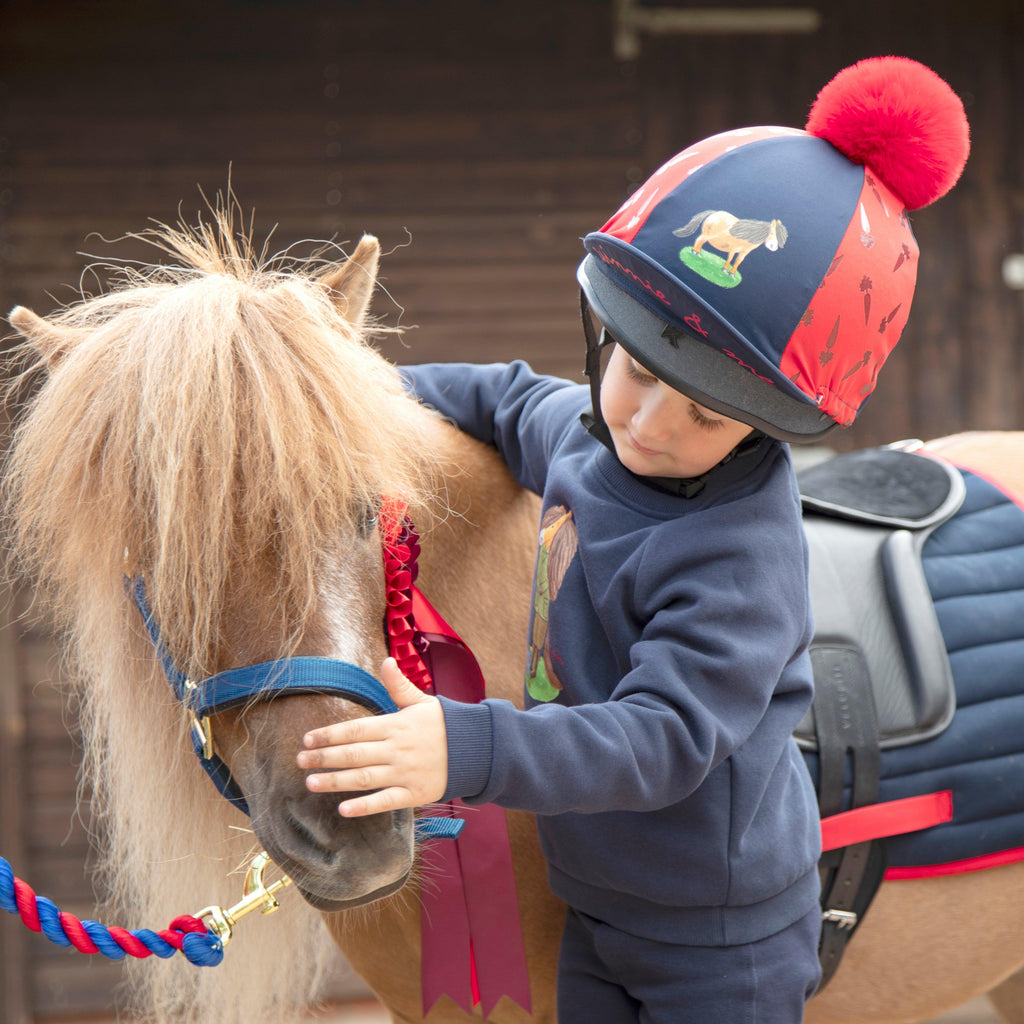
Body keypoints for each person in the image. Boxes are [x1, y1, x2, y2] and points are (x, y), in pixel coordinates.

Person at [296, 57, 969, 1022]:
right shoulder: (587, 431)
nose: (649, 423)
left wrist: (462, 749)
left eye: (702, 413)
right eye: (637, 371)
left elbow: (659, 740)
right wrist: (345, 399)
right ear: (603, 331)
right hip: (598, 900)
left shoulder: (737, 554)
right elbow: (499, 394)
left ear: (764, 422)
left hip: (718, 937)